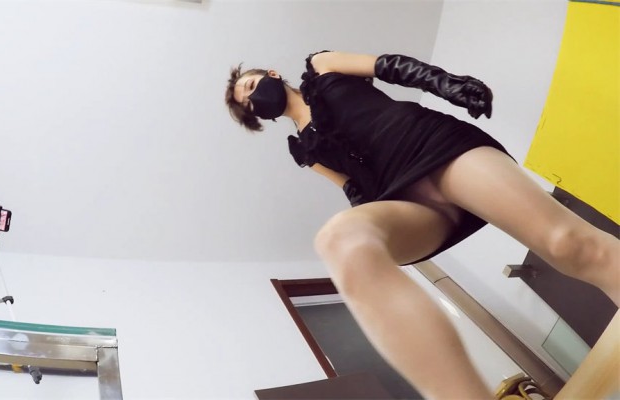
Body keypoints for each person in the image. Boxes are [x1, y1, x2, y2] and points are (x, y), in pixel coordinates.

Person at [224, 51, 619, 399]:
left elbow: (389, 66)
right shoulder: (302, 149)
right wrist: (372, 211)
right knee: (340, 240)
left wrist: (445, 84)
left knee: (568, 244)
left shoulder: (320, 65)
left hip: (431, 146)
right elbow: (348, 185)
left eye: (252, 87)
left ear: (272, 74)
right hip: (400, 197)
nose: (254, 99)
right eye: (249, 104)